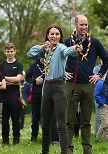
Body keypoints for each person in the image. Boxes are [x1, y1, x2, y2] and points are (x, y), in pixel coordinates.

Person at [27, 24, 82, 154]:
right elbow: (30, 54)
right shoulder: (45, 50)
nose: (54, 36)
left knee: (61, 125)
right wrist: (42, 46)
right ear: (47, 36)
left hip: (59, 87)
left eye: (57, 34)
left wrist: (76, 48)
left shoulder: (61, 47)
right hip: (46, 87)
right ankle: (44, 151)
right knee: (45, 125)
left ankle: (64, 152)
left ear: (60, 36)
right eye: (52, 34)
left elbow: (68, 51)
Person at [65, 15, 108, 154]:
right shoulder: (67, 42)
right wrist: (63, 72)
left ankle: (87, 149)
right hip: (71, 84)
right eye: (81, 24)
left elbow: (106, 59)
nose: (84, 27)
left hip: (89, 85)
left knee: (86, 120)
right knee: (69, 120)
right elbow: (56, 59)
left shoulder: (94, 43)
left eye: (86, 25)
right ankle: (68, 149)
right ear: (75, 25)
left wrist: (99, 75)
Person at [0, 43, 23, 145]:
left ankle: (16, 140)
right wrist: (11, 80)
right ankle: (5, 141)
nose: (10, 53)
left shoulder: (18, 64)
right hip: (4, 94)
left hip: (15, 94)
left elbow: (18, 79)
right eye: (8, 51)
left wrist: (5, 78)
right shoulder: (1, 65)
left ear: (15, 52)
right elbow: (0, 81)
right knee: (4, 120)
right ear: (5, 52)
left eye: (11, 51)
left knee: (15, 119)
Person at [94, 73, 108, 142]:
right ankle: (98, 137)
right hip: (104, 106)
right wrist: (102, 103)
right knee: (104, 123)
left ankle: (106, 138)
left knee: (107, 124)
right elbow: (96, 95)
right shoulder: (100, 83)